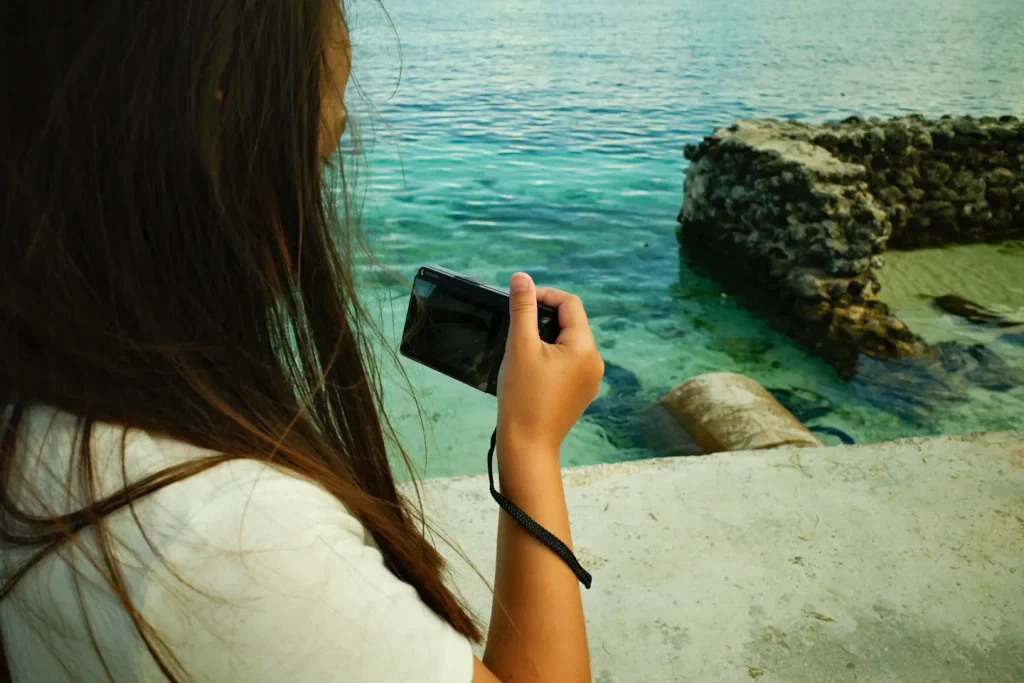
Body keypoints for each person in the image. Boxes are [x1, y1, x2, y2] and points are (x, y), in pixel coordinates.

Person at [0, 2, 603, 682]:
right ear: (225, 141)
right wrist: (530, 441)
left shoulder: (38, 412)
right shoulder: (231, 541)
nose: (315, 206)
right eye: (314, 160)